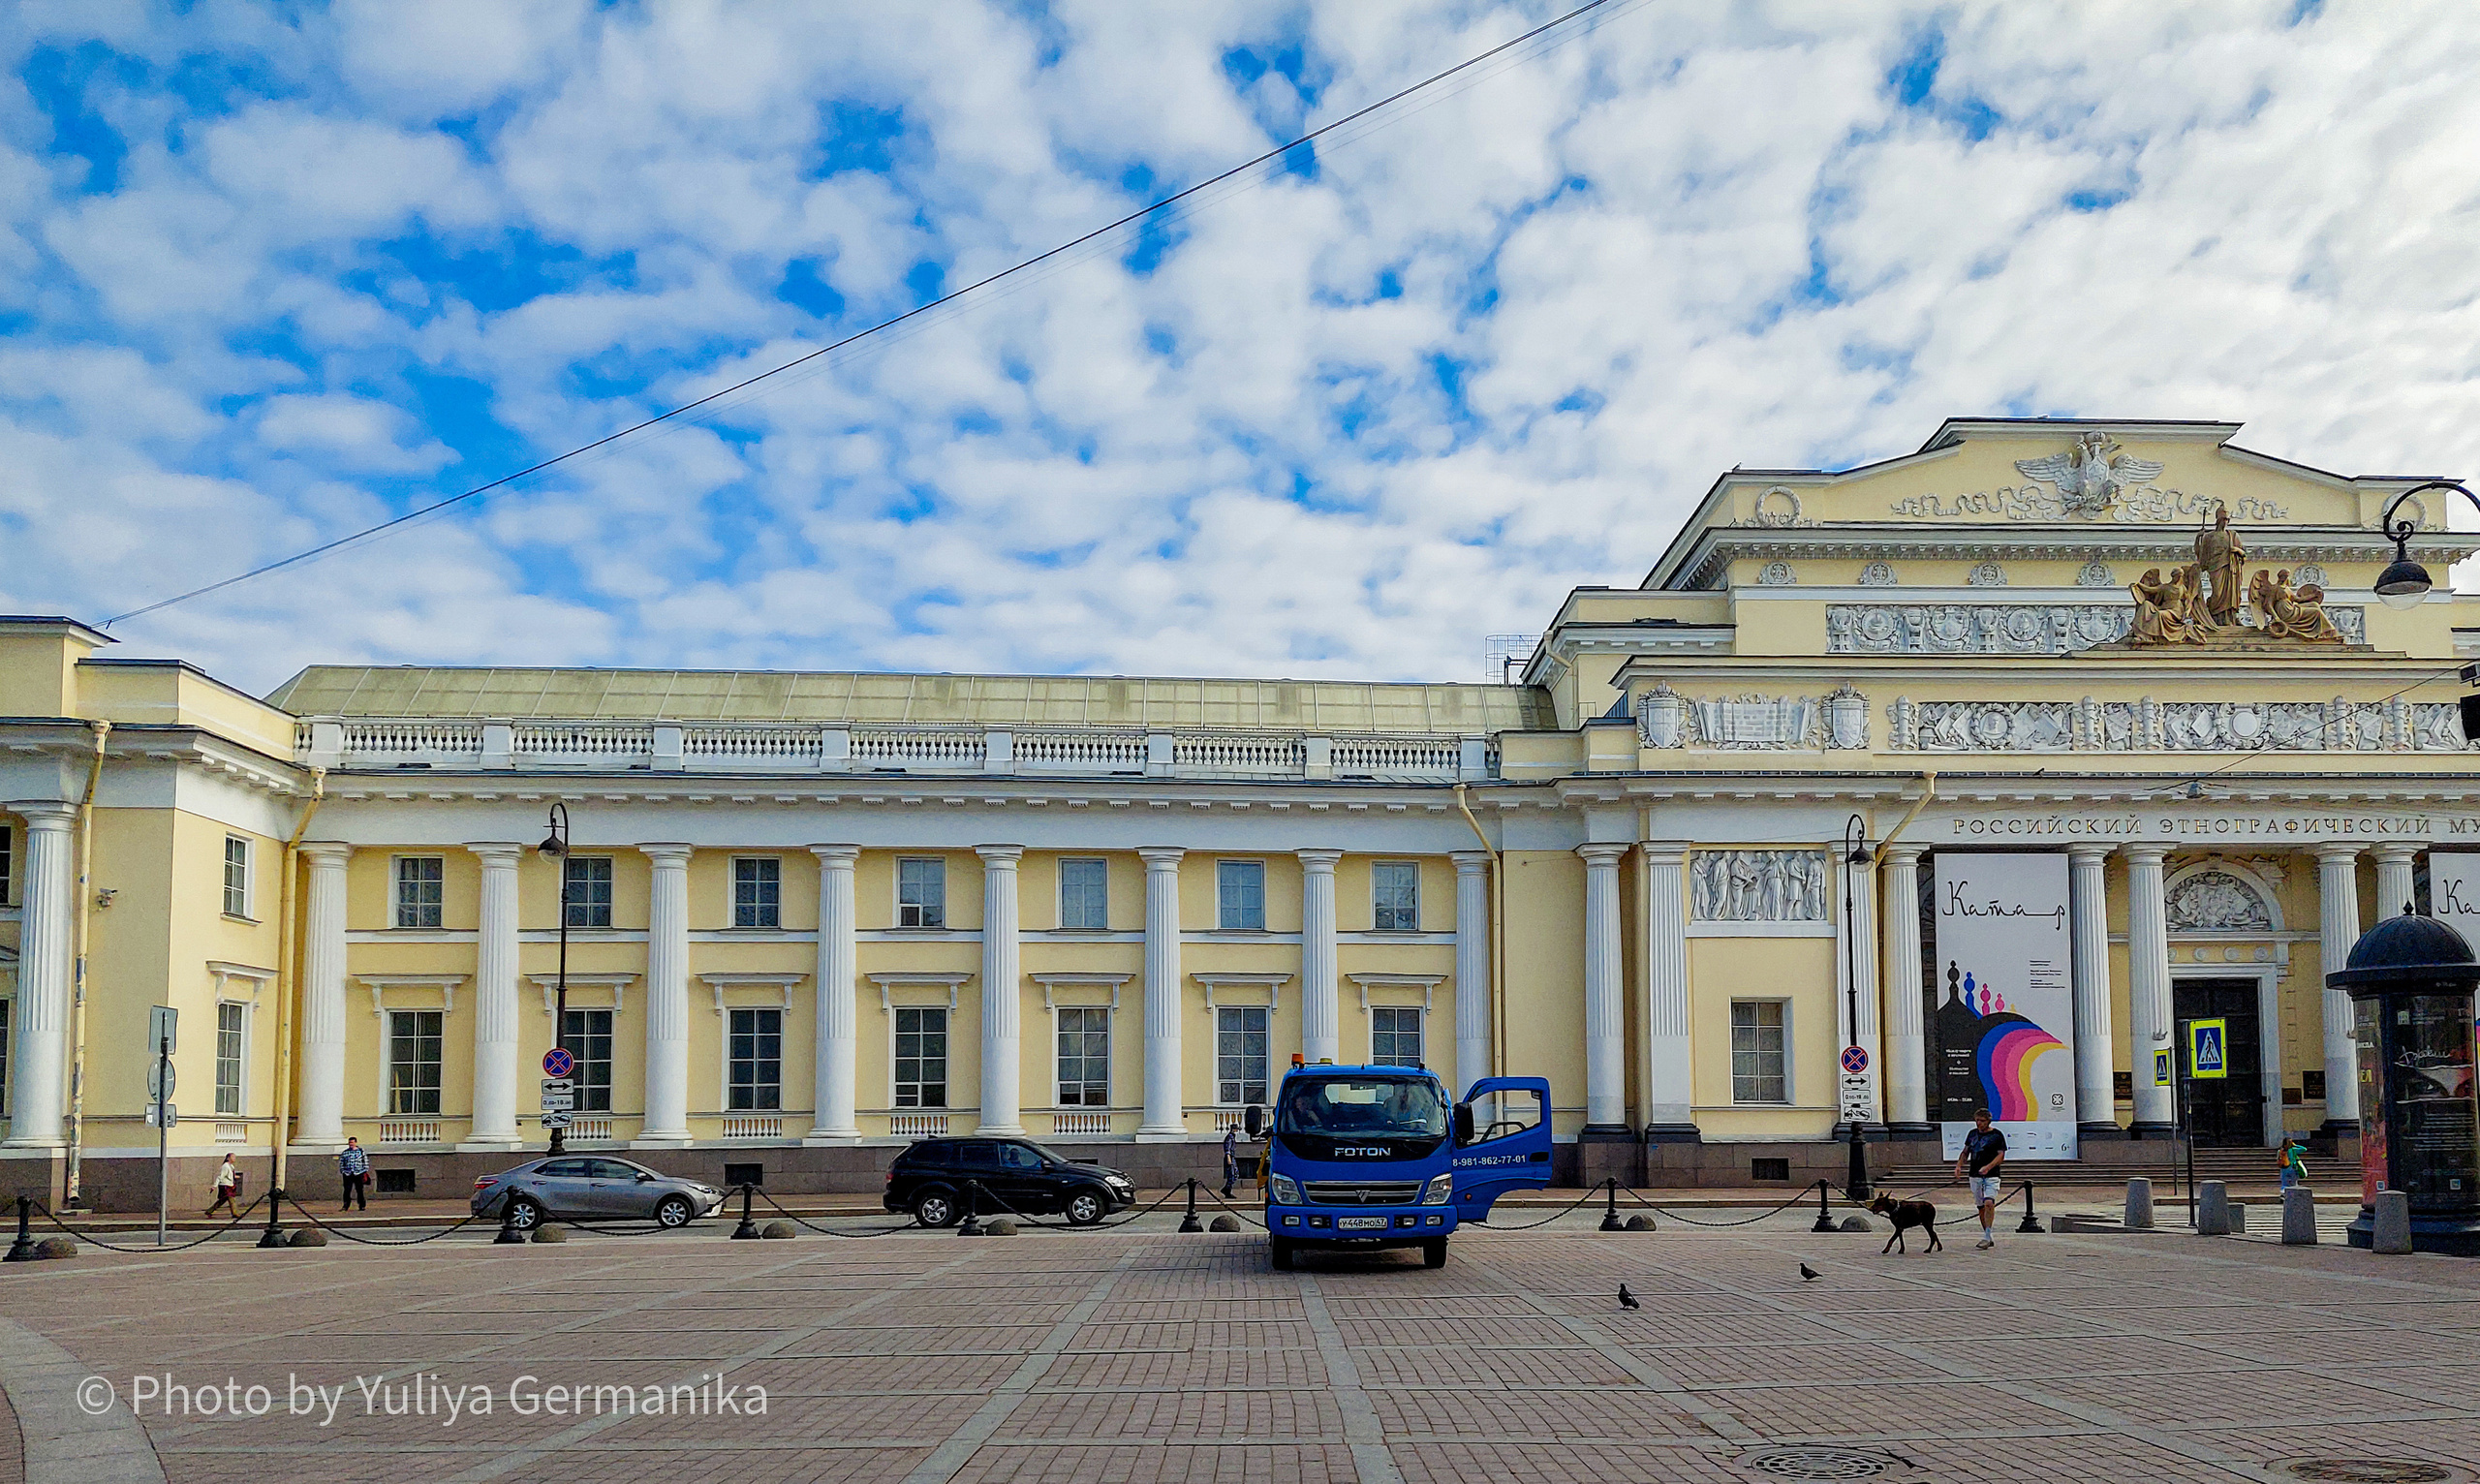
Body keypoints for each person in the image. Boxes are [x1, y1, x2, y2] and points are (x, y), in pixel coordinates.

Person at [1952, 1107, 2006, 1250]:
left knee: (1989, 1202)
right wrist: (1959, 1166)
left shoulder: (1997, 1135)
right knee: (1981, 1206)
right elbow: (1965, 1152)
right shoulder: (1972, 1134)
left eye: (1982, 1121)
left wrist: (1988, 1167)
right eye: (1977, 1120)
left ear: (1988, 1121)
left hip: (1991, 1175)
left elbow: (2001, 1155)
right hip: (1975, 1174)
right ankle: (1987, 1234)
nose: (1979, 1123)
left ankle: (1987, 1236)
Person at [203, 1154, 242, 1218]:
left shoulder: (231, 1166)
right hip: (225, 1186)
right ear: (228, 1158)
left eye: (234, 1157)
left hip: (230, 1185)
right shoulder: (225, 1166)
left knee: (222, 1200)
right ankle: (235, 1213)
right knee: (231, 1199)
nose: (234, 1158)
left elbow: (229, 1175)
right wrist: (215, 1186)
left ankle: (209, 1211)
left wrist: (235, 1176)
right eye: (232, 1157)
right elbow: (220, 1177)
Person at [339, 1136, 371, 1211]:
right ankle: (346, 1205)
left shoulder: (361, 1151)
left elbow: (365, 1161)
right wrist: (343, 1171)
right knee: (347, 1190)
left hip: (358, 1173)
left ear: (355, 1143)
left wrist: (365, 1171)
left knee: (359, 1190)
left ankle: (361, 1205)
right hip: (348, 1174)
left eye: (352, 1142)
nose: (351, 1144)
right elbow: (342, 1162)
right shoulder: (345, 1152)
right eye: (350, 1142)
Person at [1221, 1124, 1240, 1198]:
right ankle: (1227, 1190)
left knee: (1235, 1174)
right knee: (1232, 1174)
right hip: (1230, 1157)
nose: (1237, 1130)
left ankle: (1227, 1189)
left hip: (1232, 1157)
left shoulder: (1232, 1137)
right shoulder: (1229, 1137)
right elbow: (1227, 1148)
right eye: (1236, 1129)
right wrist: (1228, 1158)